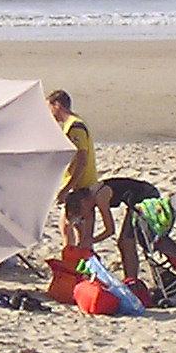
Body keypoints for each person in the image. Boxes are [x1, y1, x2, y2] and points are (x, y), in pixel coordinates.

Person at [48, 89, 99, 249]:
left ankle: (74, 261)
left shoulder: (75, 127)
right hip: (78, 186)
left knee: (74, 228)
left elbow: (82, 160)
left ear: (57, 105)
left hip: (81, 187)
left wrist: (67, 188)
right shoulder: (71, 125)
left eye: (49, 107)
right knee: (68, 226)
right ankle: (73, 260)